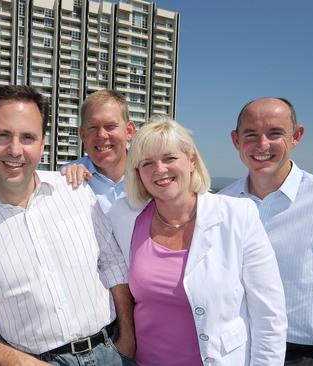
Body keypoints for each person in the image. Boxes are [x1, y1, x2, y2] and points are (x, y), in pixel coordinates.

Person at [0, 85, 135, 366]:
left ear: (42, 145)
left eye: (27, 137)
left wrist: (128, 338)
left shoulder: (74, 189)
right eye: (3, 135)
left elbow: (112, 263)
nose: (15, 150)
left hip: (112, 352)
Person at [108, 115, 287, 365]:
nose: (160, 170)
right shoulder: (124, 217)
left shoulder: (238, 216)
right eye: (147, 163)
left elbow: (269, 316)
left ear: (191, 160)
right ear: (138, 173)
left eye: (170, 158)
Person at [220, 97, 313, 365]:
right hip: (230, 353)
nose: (262, 145)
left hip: (301, 357)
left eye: (275, 133)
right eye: (251, 134)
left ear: (296, 136)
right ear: (236, 140)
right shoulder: (221, 205)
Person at [61, 90, 135, 213]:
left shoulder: (150, 176)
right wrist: (65, 181)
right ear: (82, 134)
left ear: (129, 131)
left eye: (110, 126)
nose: (101, 135)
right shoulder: (65, 180)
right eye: (93, 127)